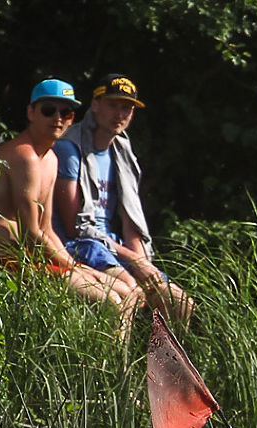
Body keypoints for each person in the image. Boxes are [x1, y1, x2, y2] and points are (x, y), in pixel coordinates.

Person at [0, 79, 135, 320]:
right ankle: (98, 347)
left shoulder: (50, 160)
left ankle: (115, 348)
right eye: (48, 110)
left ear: (72, 118)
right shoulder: (23, 156)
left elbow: (47, 229)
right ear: (31, 113)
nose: (58, 118)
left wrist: (77, 267)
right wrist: (76, 268)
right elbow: (30, 234)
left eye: (66, 112)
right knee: (110, 300)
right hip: (5, 261)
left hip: (31, 257)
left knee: (126, 293)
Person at [52, 74, 193, 323]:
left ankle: (162, 350)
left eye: (127, 108)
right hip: (83, 245)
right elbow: (75, 227)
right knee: (130, 292)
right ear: (95, 105)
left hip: (114, 246)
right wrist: (133, 260)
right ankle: (118, 350)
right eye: (112, 105)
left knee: (179, 302)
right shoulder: (69, 148)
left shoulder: (122, 151)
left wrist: (142, 263)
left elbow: (131, 223)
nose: (119, 114)